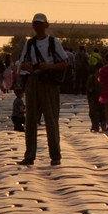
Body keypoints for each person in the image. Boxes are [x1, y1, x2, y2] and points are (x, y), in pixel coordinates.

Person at [15, 13, 70, 166]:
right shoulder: (29, 43)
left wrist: (49, 66)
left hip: (49, 81)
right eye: (36, 24)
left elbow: (64, 62)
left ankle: (55, 155)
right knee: (31, 119)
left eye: (40, 23)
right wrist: (26, 66)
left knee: (51, 119)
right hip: (34, 80)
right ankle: (29, 155)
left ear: (46, 25)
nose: (38, 26)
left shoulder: (53, 42)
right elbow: (22, 61)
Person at [85, 61, 105, 133]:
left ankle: (95, 127)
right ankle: (104, 128)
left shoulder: (92, 77)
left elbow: (88, 89)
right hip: (104, 99)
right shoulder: (106, 77)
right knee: (103, 116)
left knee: (94, 114)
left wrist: (89, 99)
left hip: (94, 99)